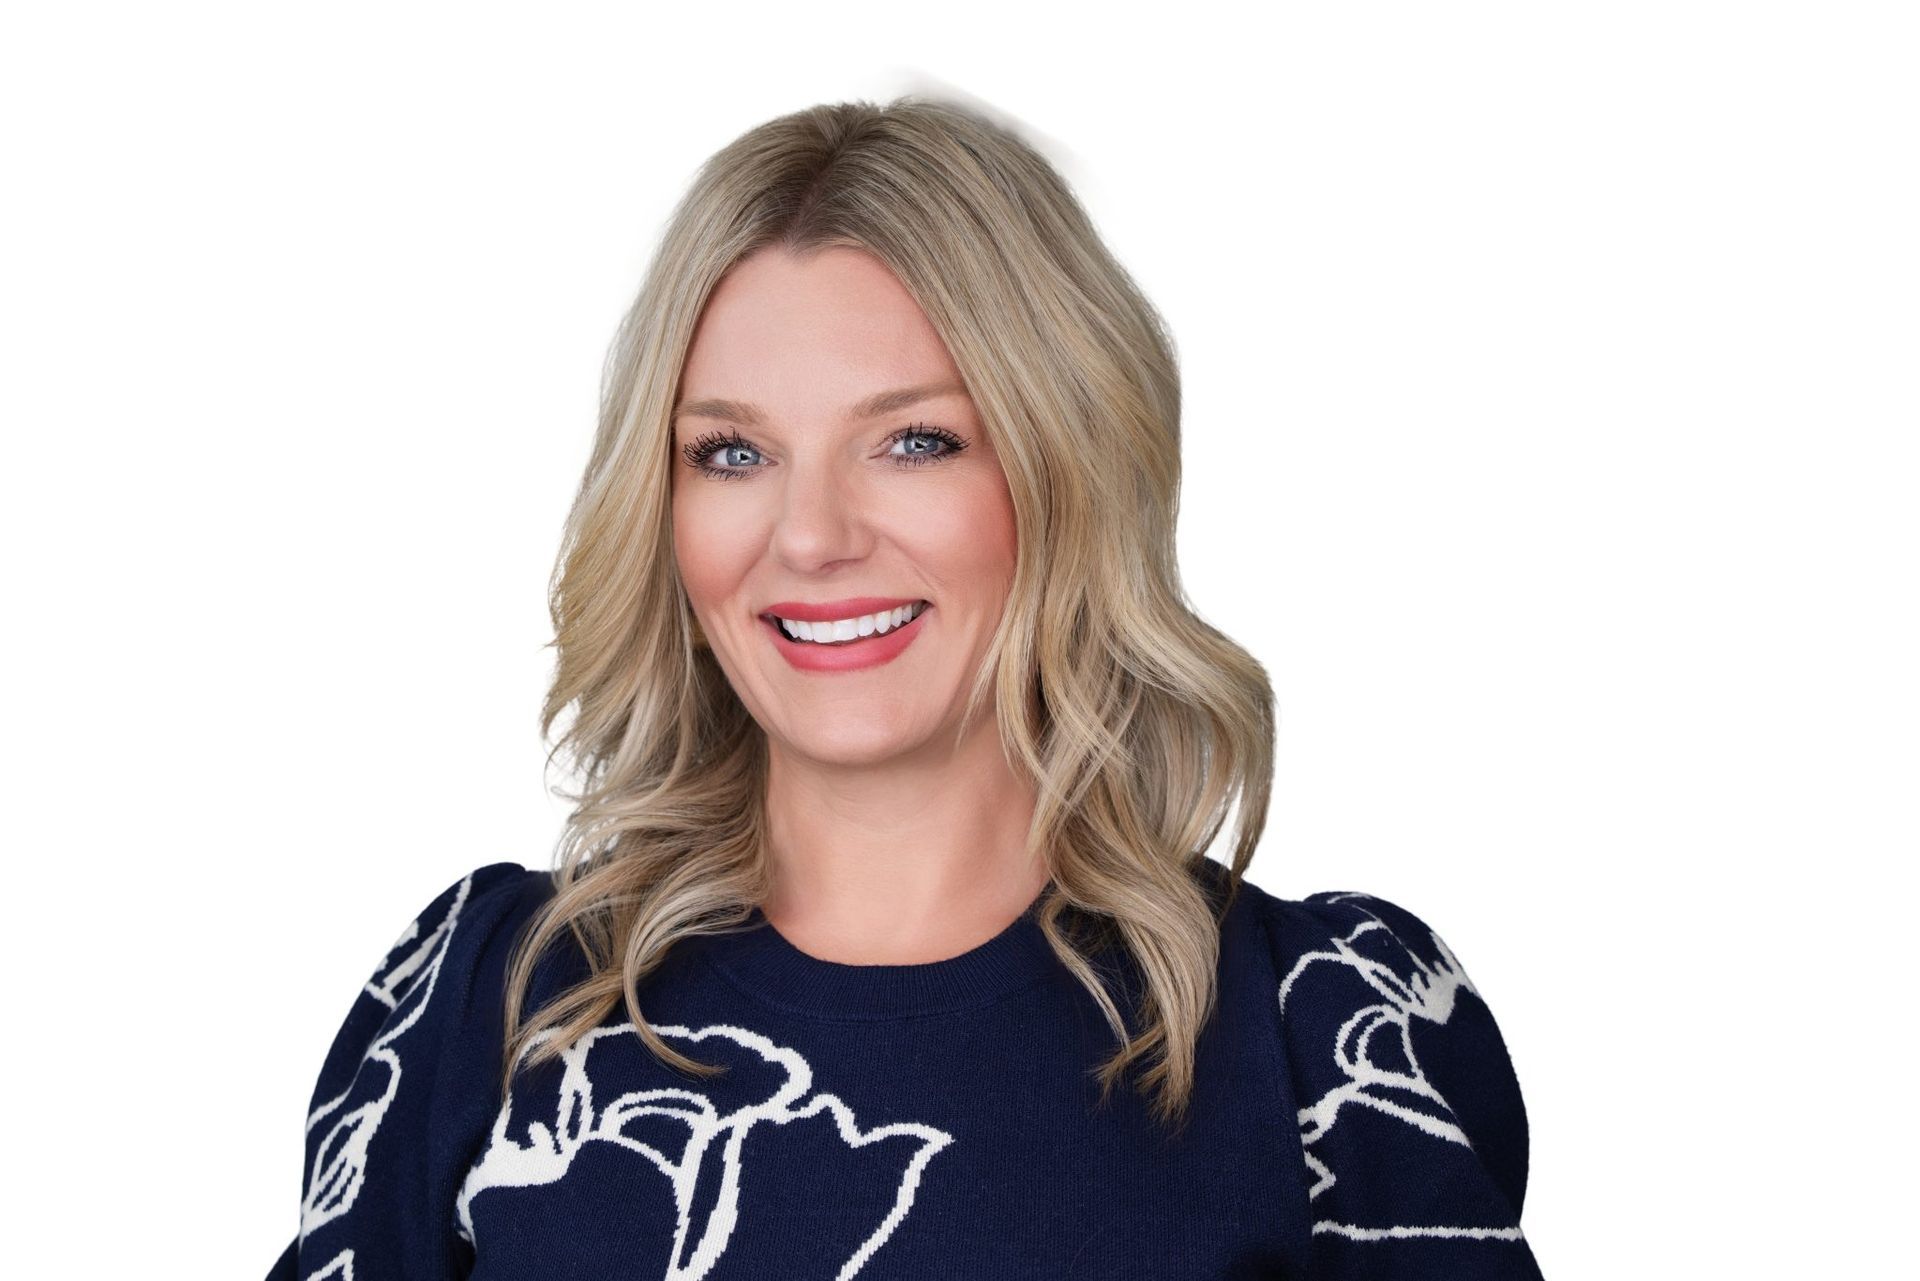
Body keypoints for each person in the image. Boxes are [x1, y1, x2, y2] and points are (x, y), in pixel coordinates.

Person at [268, 95, 1544, 1280]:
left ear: (1065, 472)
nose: (811, 535)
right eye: (731, 452)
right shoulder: (484, 1005)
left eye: (914, 441)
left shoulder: (1324, 1034)